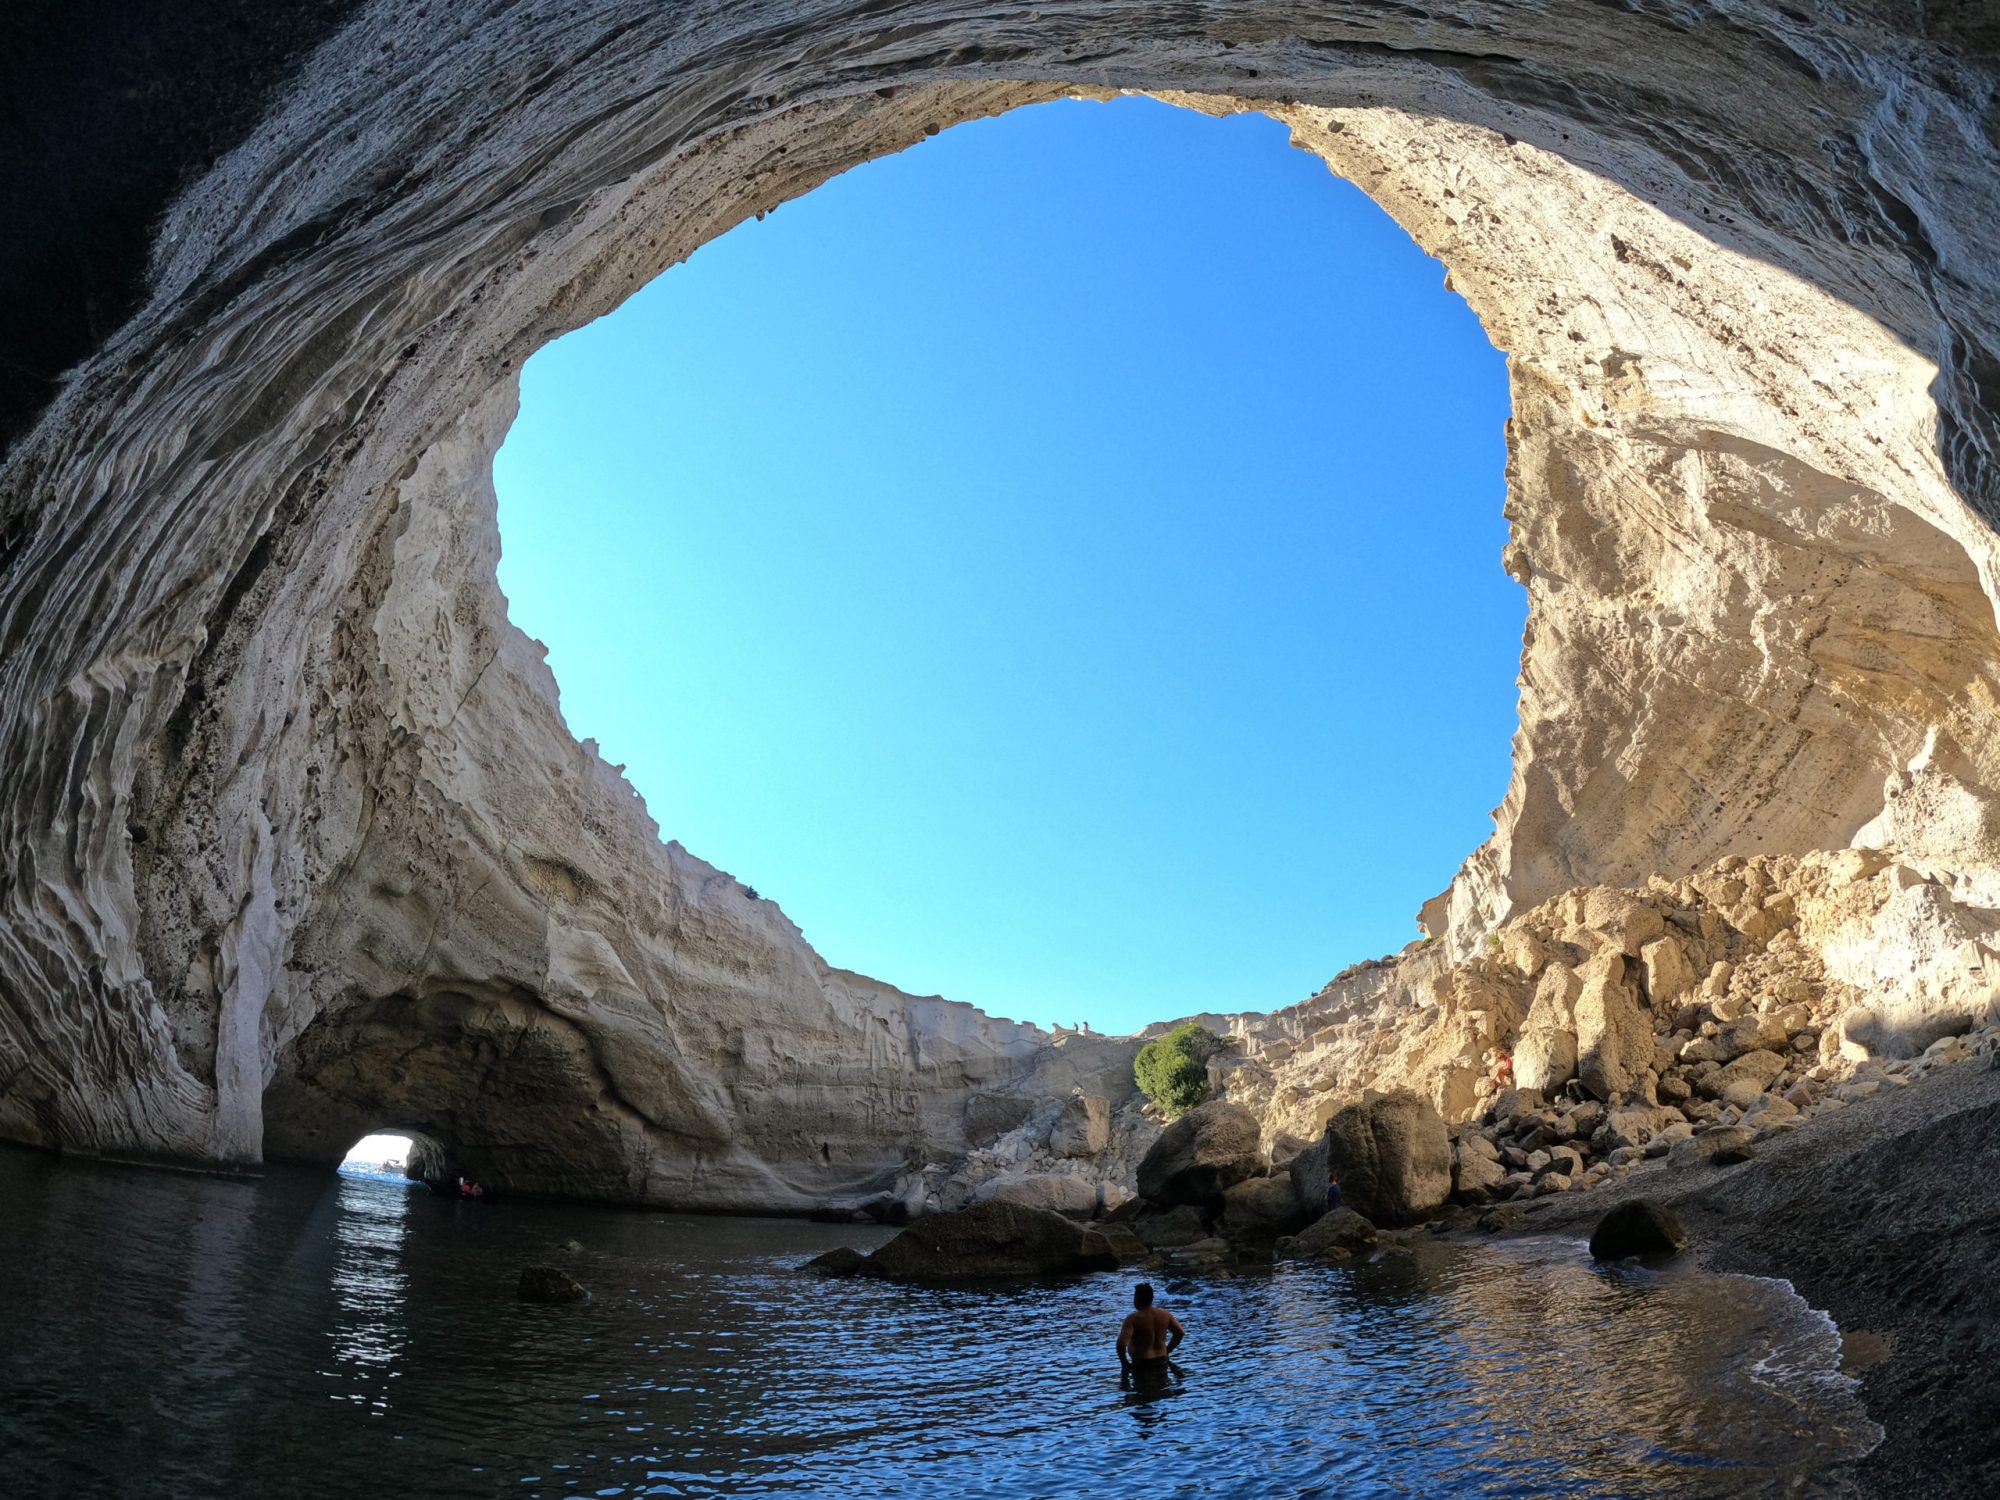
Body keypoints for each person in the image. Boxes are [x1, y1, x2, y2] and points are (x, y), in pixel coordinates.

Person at [1116, 1283, 1185, 1372]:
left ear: (1136, 1299)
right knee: (1162, 1385)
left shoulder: (1132, 1319)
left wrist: (1124, 1362)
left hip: (1142, 1364)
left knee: (1143, 1386)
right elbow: (1180, 1333)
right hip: (1162, 1360)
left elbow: (1121, 1344)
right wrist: (1167, 1350)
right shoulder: (1165, 1314)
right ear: (1151, 1298)